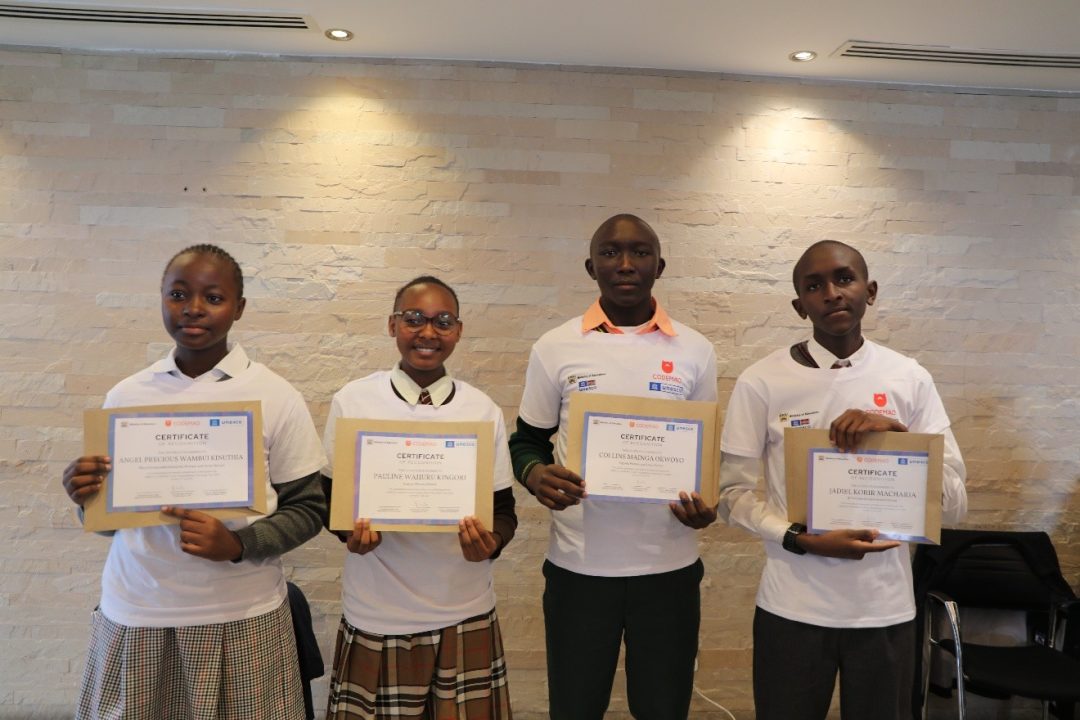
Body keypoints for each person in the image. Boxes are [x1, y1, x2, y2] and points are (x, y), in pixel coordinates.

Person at [61, 243, 327, 720]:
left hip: (242, 613)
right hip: (138, 608)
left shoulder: (276, 396)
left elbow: (309, 507)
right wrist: (86, 497)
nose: (193, 308)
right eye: (178, 294)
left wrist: (240, 544)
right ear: (162, 300)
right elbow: (109, 521)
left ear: (239, 308)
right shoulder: (127, 395)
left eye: (213, 297)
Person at [718, 240, 968, 720]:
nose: (832, 293)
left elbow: (954, 503)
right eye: (814, 286)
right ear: (800, 305)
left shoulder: (909, 377)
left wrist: (899, 438)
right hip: (791, 606)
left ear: (870, 291)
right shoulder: (761, 381)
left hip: (885, 608)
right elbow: (731, 496)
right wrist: (798, 537)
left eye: (844, 279)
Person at [509, 214, 718, 719]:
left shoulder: (695, 349)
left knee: (663, 708)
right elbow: (527, 441)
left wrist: (706, 506)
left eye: (640, 252)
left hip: (668, 570)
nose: (625, 264)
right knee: (575, 707)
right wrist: (536, 475)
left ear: (659, 266)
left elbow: (703, 451)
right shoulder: (555, 346)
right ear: (591, 267)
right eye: (610, 252)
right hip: (579, 570)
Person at [322, 275, 517, 720]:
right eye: (414, 319)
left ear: (458, 331)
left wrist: (492, 543)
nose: (428, 332)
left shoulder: (481, 409)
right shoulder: (354, 401)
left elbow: (503, 510)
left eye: (442, 321)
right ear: (392, 325)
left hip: (464, 608)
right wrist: (349, 534)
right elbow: (330, 498)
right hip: (377, 611)